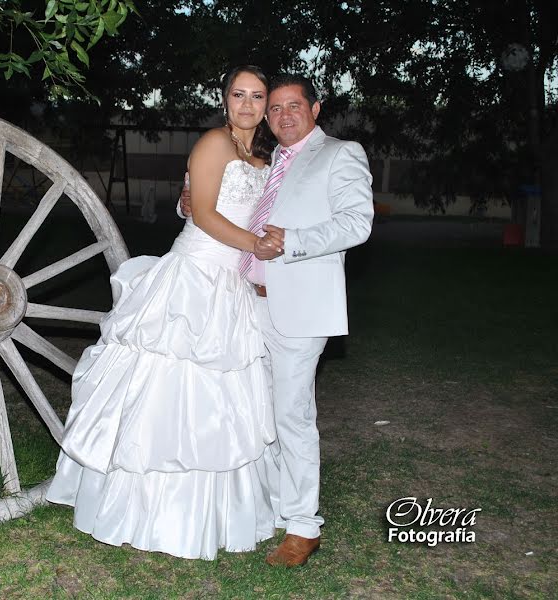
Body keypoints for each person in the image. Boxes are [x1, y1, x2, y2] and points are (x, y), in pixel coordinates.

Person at [46, 65, 279, 560]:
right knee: (166, 389)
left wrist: (263, 247)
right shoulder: (214, 143)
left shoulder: (263, 156)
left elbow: (206, 204)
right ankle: (143, 508)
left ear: (265, 105)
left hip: (232, 283)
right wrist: (256, 245)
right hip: (195, 275)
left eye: (257, 97)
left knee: (221, 399)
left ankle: (214, 513)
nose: (247, 105)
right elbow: (206, 215)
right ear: (224, 99)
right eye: (238, 95)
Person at [179, 74, 374, 567]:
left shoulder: (340, 154)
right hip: (247, 300)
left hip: (301, 307)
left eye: (295, 106)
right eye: (277, 108)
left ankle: (304, 527)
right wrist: (186, 203)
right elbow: (227, 206)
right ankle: (274, 504)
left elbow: (357, 223)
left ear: (316, 108)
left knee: (291, 412)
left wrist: (294, 239)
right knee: (258, 410)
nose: (284, 115)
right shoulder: (268, 162)